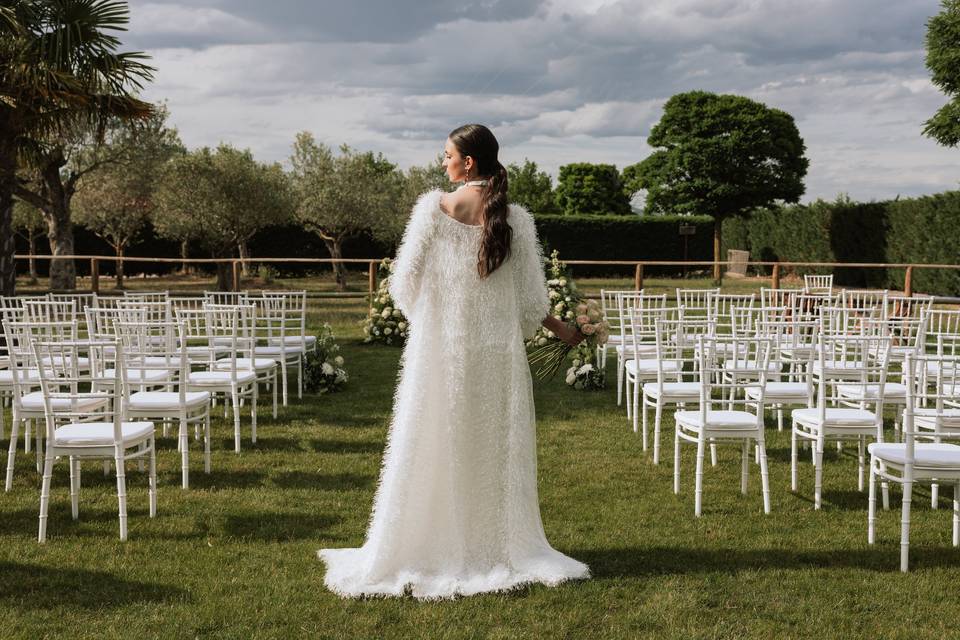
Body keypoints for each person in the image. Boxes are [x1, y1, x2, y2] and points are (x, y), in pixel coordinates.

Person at [318, 124, 590, 600]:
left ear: (468, 163)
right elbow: (531, 304)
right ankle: (494, 547)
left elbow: (402, 288)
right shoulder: (517, 219)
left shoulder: (432, 210)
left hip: (439, 356)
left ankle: (424, 543)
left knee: (432, 441)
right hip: (496, 358)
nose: (442, 161)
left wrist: (434, 318)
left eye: (447, 155)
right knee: (491, 452)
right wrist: (566, 331)